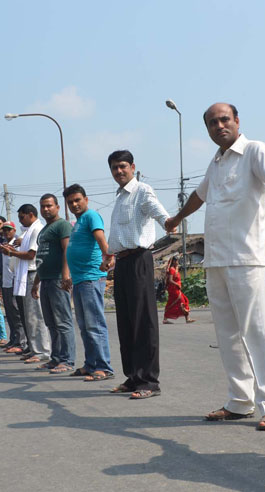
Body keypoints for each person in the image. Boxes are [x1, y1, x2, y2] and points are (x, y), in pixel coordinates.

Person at [165, 103, 265, 430]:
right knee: (228, 334)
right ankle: (239, 401)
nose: (219, 126)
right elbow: (199, 196)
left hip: (247, 259)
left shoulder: (255, 151)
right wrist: (177, 218)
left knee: (258, 333)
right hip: (215, 260)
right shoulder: (215, 163)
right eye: (212, 123)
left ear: (236, 121)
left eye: (224, 120)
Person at [104, 149, 170, 400]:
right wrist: (110, 255)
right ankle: (133, 377)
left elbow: (157, 211)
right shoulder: (120, 197)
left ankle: (149, 382)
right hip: (121, 263)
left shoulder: (142, 190)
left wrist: (168, 221)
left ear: (132, 167)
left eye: (122, 166)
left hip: (140, 260)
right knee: (126, 322)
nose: (118, 171)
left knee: (144, 322)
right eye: (114, 168)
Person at [63, 184, 116, 380]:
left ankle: (104, 367)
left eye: (78, 200)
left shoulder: (91, 215)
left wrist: (108, 256)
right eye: (70, 202)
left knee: (95, 324)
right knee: (85, 325)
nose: (74, 204)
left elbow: (101, 238)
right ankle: (91, 364)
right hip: (79, 280)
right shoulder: (78, 222)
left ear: (86, 199)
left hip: (91, 277)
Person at [0, 204, 52, 364]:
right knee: (29, 316)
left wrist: (11, 253)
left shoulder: (37, 229)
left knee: (36, 316)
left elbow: (31, 254)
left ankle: (42, 351)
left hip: (33, 273)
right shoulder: (28, 231)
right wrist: (16, 246)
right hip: (24, 275)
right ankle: (34, 348)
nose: (21, 221)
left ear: (30, 215)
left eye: (22, 217)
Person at [30, 194, 75, 373]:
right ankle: (55, 358)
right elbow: (41, 258)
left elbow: (67, 250)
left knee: (63, 322)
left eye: (49, 206)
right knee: (51, 322)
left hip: (58, 279)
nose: (46, 209)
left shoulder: (62, 225)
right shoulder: (44, 229)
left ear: (57, 207)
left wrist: (65, 275)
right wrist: (36, 283)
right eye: (43, 206)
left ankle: (67, 360)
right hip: (45, 280)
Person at [0, 221, 28, 355]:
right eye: (4, 230)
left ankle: (21, 342)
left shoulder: (18, 243)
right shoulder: (4, 245)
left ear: (14, 230)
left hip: (14, 282)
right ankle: (14, 339)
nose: (6, 232)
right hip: (6, 283)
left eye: (8, 229)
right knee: (10, 314)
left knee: (17, 314)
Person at [162, 256, 194, 324]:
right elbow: (170, 280)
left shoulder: (176, 269)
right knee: (182, 301)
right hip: (173, 290)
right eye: (176, 261)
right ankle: (187, 319)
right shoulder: (172, 269)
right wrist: (177, 284)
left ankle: (166, 319)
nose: (177, 262)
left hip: (177, 289)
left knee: (181, 301)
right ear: (173, 261)